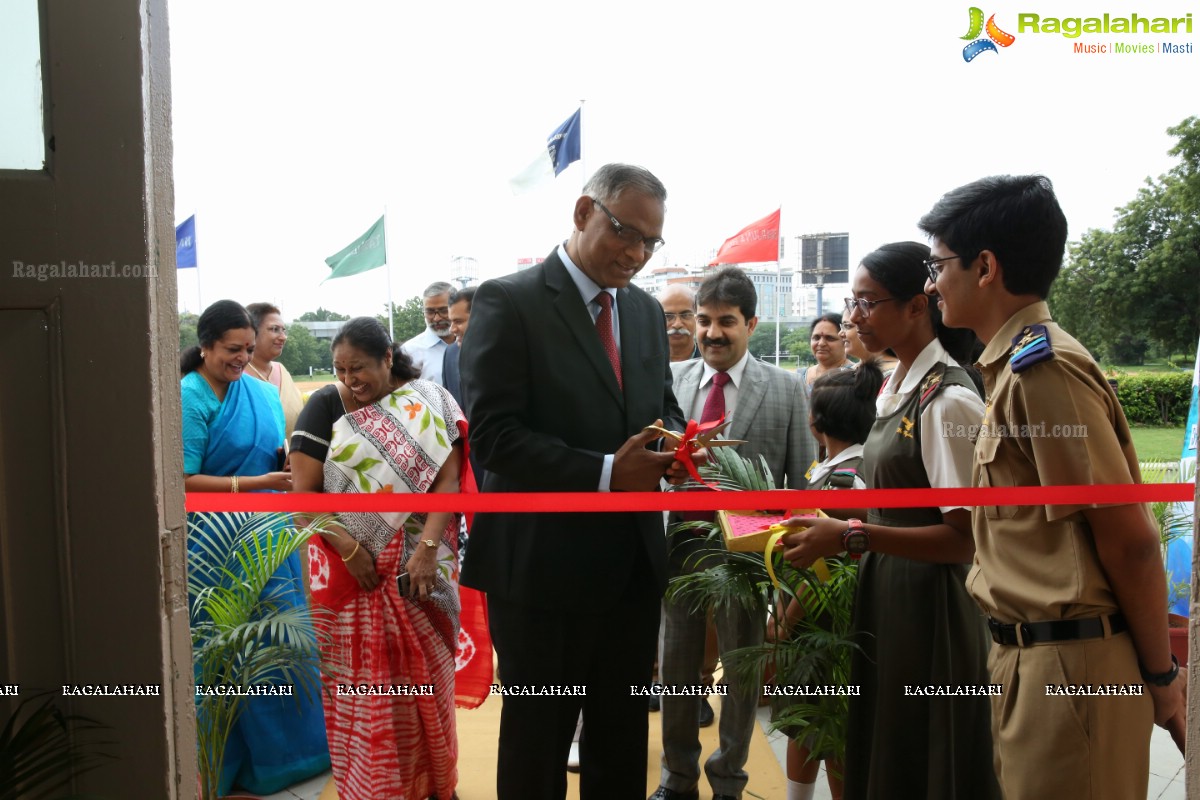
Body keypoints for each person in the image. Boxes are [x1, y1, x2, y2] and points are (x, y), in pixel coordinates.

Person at [919, 175, 1183, 799]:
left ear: (985, 267)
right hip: (1034, 658)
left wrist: (1161, 674)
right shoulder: (1014, 368)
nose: (931, 283)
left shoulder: (1044, 371)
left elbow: (1130, 541)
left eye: (938, 265)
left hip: (1071, 664)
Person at [459, 163, 686, 800]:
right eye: (626, 232)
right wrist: (610, 472)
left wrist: (675, 443)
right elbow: (494, 438)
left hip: (631, 567)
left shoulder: (642, 312)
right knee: (539, 741)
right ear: (584, 211)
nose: (637, 254)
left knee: (619, 741)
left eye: (651, 242)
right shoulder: (510, 301)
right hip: (540, 572)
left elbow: (659, 407)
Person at [781, 242, 999, 800]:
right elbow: (891, 496)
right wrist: (810, 514)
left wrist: (851, 536)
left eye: (868, 302)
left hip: (932, 605)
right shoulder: (896, 386)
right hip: (889, 587)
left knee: (927, 751)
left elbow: (964, 538)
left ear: (915, 307)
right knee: (888, 744)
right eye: (852, 302)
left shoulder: (947, 400)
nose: (854, 317)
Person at [290, 316, 487, 800]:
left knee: (429, 683)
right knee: (367, 689)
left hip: (425, 569)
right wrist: (353, 548)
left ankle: (437, 784)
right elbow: (304, 504)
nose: (350, 381)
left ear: (387, 357)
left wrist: (423, 552)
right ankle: (376, 787)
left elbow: (448, 480)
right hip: (350, 575)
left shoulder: (428, 401)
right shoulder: (324, 407)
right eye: (340, 371)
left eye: (359, 368)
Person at [653, 267, 817, 800]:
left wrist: (788, 568)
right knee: (675, 675)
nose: (711, 333)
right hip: (678, 551)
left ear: (751, 322)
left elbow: (800, 482)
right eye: (703, 321)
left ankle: (729, 780)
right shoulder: (670, 384)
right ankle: (677, 781)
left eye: (726, 321)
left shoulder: (787, 389)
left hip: (750, 558)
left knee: (743, 675)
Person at [180, 299, 330, 796]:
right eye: (231, 349)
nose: (242, 358)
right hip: (215, 540)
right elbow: (182, 479)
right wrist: (253, 483)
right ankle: (224, 762)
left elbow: (277, 452)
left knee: (278, 644)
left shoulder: (262, 394)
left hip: (269, 538)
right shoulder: (189, 396)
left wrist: (280, 467)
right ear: (204, 345)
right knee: (223, 647)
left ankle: (286, 759)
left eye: (248, 348)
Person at [766, 361, 882, 800]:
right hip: (836, 626)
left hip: (821, 628)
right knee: (813, 717)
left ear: (816, 425)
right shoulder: (853, 468)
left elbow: (830, 571)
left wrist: (784, 620)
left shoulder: (841, 483)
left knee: (823, 722)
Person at [244, 302, 305, 439]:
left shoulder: (282, 371)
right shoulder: (237, 375)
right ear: (251, 332)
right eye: (274, 329)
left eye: (283, 330)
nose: (283, 337)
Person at [402, 281, 456, 384]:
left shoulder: (471, 344)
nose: (436, 318)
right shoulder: (408, 352)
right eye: (430, 312)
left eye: (444, 310)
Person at [799, 314, 851, 396]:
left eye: (830, 338)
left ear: (845, 340)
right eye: (816, 337)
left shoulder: (855, 375)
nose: (821, 343)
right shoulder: (800, 376)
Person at [441, 286, 475, 409]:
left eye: (459, 322)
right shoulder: (450, 353)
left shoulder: (507, 354)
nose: (452, 329)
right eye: (451, 322)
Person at [659, 284, 701, 362]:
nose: (677, 324)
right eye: (668, 316)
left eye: (685, 315)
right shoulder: (643, 364)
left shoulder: (713, 363)